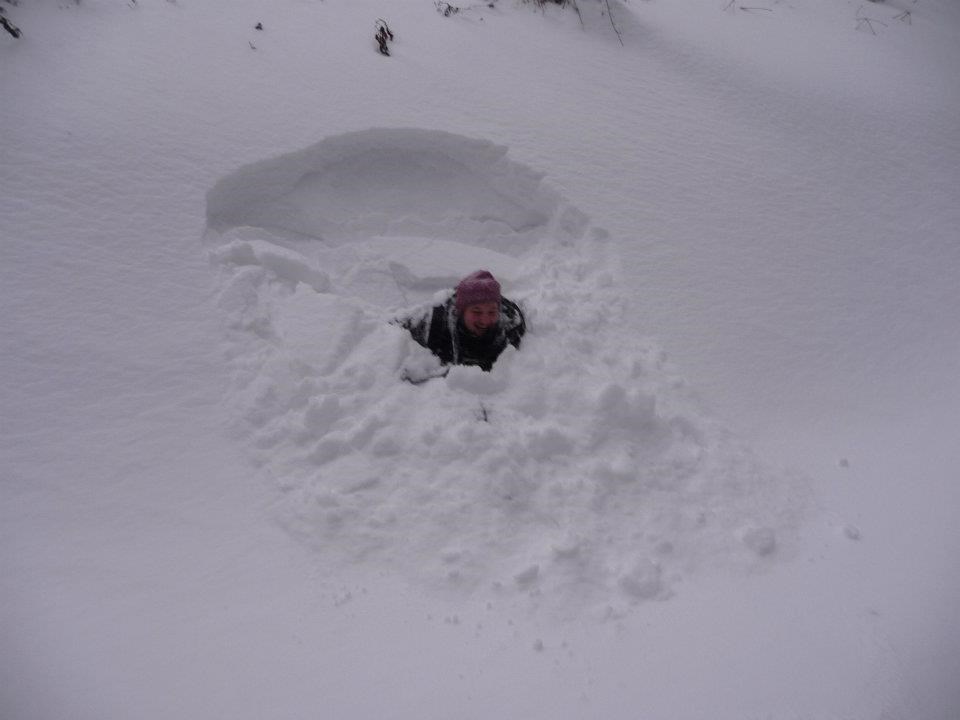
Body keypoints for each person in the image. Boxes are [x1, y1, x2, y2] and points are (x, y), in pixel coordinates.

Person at [401, 270, 525, 374]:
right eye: (477, 312)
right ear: (461, 312)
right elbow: (393, 330)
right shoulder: (435, 324)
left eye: (492, 312)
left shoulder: (511, 325)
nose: (485, 320)